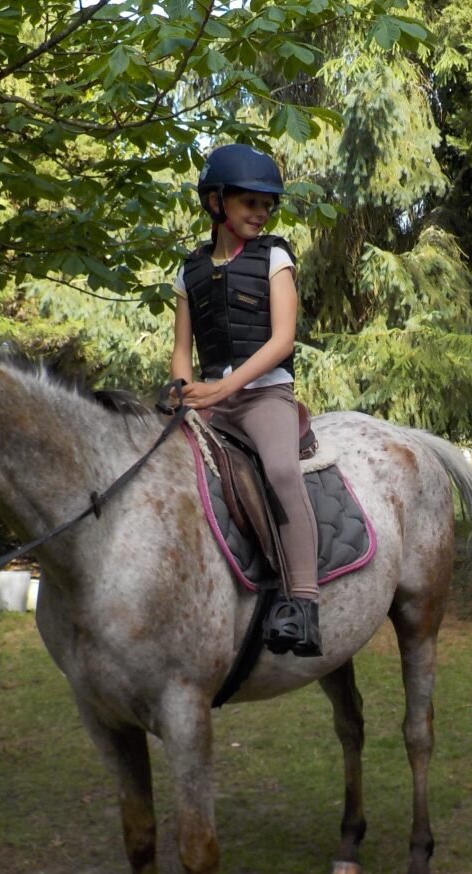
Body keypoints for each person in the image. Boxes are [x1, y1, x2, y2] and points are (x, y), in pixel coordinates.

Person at [168, 143, 321, 657]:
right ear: (216, 203)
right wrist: (183, 390)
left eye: (267, 205)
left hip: (264, 396)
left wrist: (224, 389)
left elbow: (282, 341)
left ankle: (303, 602)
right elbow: (182, 350)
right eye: (249, 202)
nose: (261, 213)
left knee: (279, 470)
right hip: (209, 401)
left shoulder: (275, 257)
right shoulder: (187, 272)